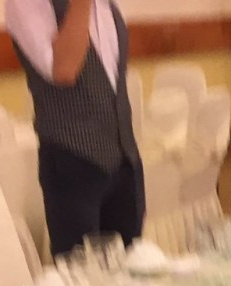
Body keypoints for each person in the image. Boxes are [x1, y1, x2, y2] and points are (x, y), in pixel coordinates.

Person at [7, 0, 142, 257]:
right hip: (72, 162)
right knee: (80, 275)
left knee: (134, 268)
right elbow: (64, 70)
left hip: (124, 159)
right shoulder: (26, 4)